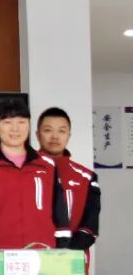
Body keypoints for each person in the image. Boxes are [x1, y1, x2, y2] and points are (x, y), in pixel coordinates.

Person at [0, 99, 70, 250]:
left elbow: (60, 211)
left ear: (29, 125)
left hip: (43, 251)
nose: (15, 129)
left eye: (21, 122)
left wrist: (63, 246)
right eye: (7, 122)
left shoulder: (47, 165)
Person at [36, 107, 100, 250]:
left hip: (72, 256)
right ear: (37, 134)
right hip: (32, 253)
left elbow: (90, 225)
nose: (55, 136)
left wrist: (68, 252)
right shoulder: (23, 171)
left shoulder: (86, 177)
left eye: (62, 131)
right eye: (48, 130)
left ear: (69, 135)